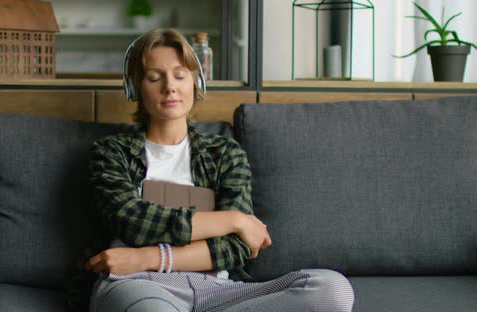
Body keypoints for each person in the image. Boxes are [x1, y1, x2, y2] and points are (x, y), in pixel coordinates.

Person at [87, 28, 354, 312]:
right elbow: (133, 222)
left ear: (196, 81)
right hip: (139, 284)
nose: (170, 87)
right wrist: (235, 220)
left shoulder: (225, 153)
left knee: (331, 289)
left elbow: (238, 248)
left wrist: (146, 257)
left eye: (180, 75)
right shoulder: (111, 152)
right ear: (135, 87)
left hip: (217, 290)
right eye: (155, 78)